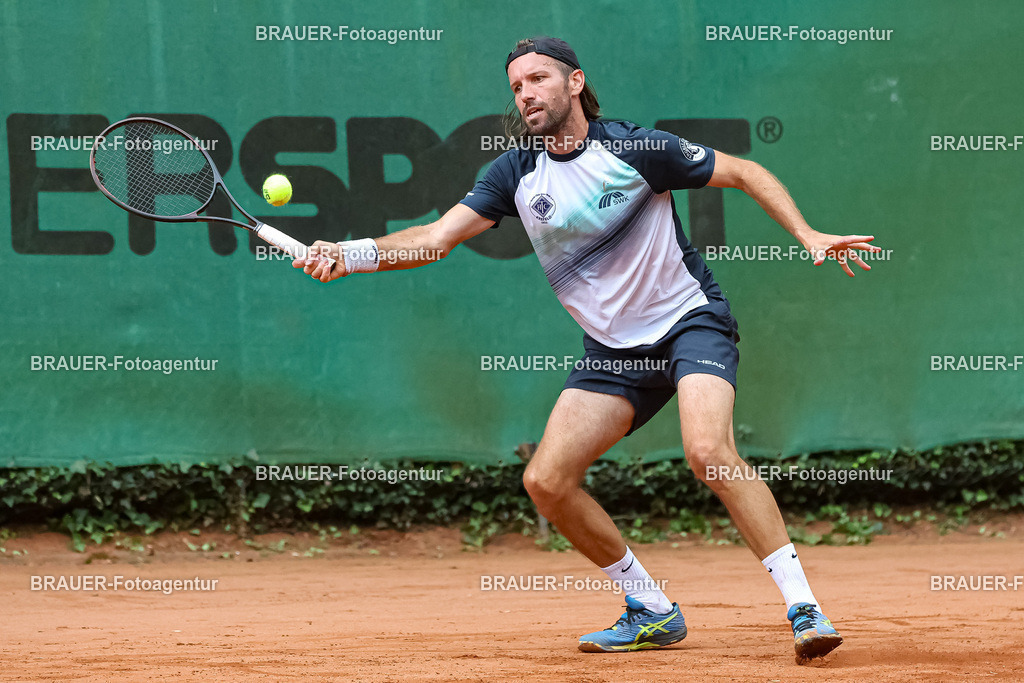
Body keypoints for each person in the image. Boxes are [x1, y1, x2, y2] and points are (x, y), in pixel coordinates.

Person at [295, 36, 880, 662]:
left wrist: (808, 234)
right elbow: (436, 238)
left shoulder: (635, 148)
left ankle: (803, 607)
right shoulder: (514, 173)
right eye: (517, 86)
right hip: (612, 353)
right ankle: (651, 609)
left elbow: (742, 171)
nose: (526, 95)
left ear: (575, 83)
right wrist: (349, 255)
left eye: (539, 79)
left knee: (709, 451)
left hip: (688, 322)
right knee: (546, 481)